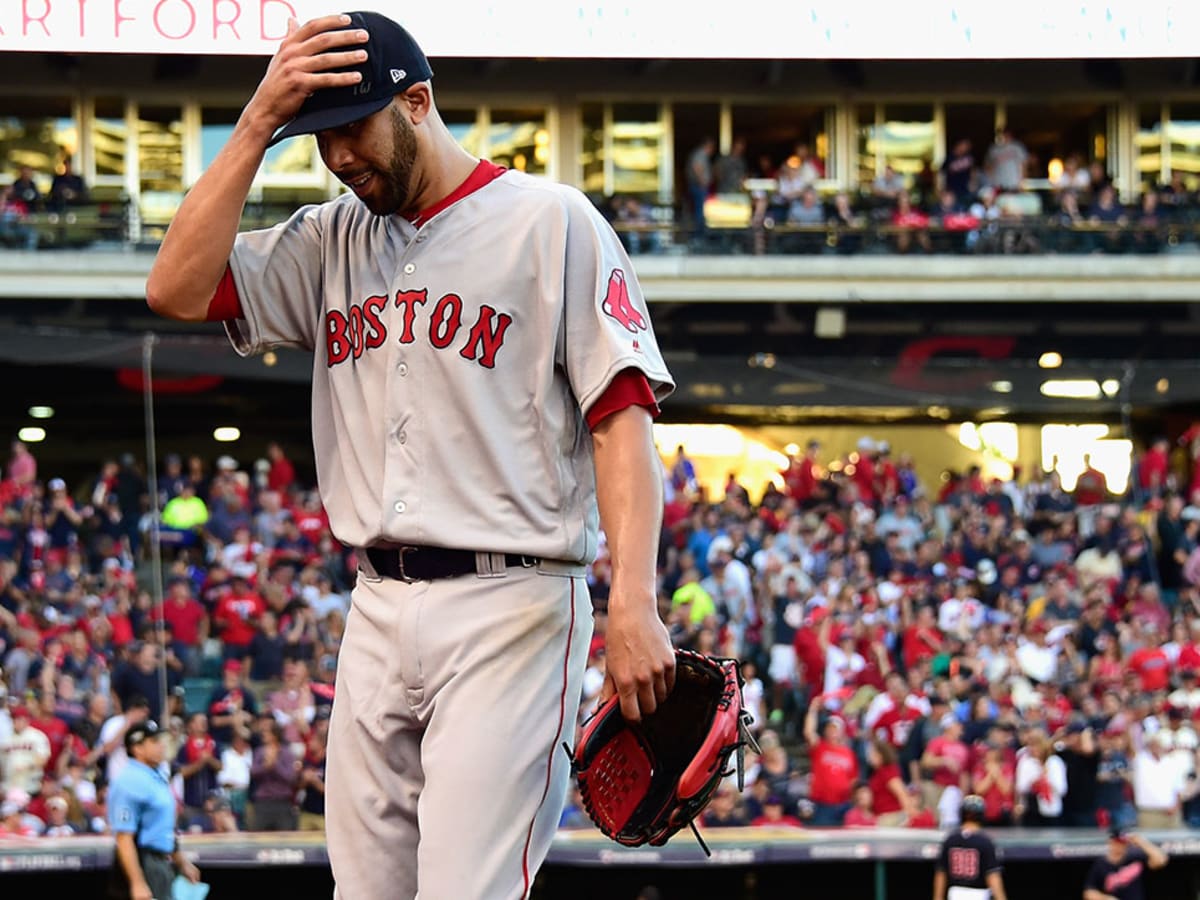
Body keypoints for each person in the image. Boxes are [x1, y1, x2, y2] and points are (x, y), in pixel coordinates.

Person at [144, 11, 675, 899]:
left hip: (514, 600)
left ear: (418, 101)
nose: (339, 157)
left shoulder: (552, 223)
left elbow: (621, 419)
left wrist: (634, 601)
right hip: (378, 606)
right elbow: (175, 288)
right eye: (317, 139)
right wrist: (254, 126)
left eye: (353, 127)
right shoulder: (330, 236)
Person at [106, 720, 201, 900]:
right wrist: (137, 882)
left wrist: (181, 861)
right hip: (142, 862)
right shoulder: (128, 781)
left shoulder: (156, 777)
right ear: (137, 748)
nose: (161, 745)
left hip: (161, 861)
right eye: (154, 742)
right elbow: (124, 838)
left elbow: (164, 827)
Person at [932, 794, 1007, 900]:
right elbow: (992, 876)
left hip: (955, 894)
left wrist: (937, 898)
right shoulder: (985, 842)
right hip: (979, 895)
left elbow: (941, 874)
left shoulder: (951, 840)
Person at [1082, 826, 1168, 900]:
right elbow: (1088, 892)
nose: (1121, 846)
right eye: (1117, 842)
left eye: (1123, 843)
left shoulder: (1135, 856)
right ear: (1111, 842)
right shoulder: (1101, 864)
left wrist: (1142, 842)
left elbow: (1161, 860)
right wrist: (1105, 898)